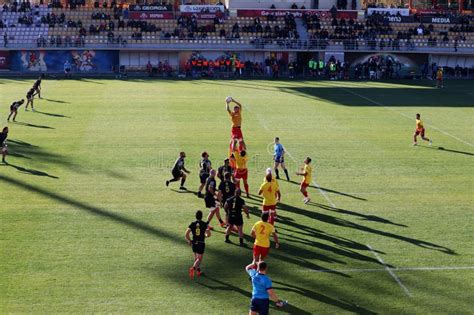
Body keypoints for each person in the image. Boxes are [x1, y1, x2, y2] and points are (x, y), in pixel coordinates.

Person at [185, 210, 211, 278]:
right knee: (199, 259)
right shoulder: (205, 224)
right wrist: (205, 235)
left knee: (196, 257)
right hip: (201, 243)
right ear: (201, 216)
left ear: (196, 216)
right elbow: (208, 234)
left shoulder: (192, 224)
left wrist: (189, 240)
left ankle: (198, 271)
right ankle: (193, 268)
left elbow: (186, 233)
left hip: (194, 242)